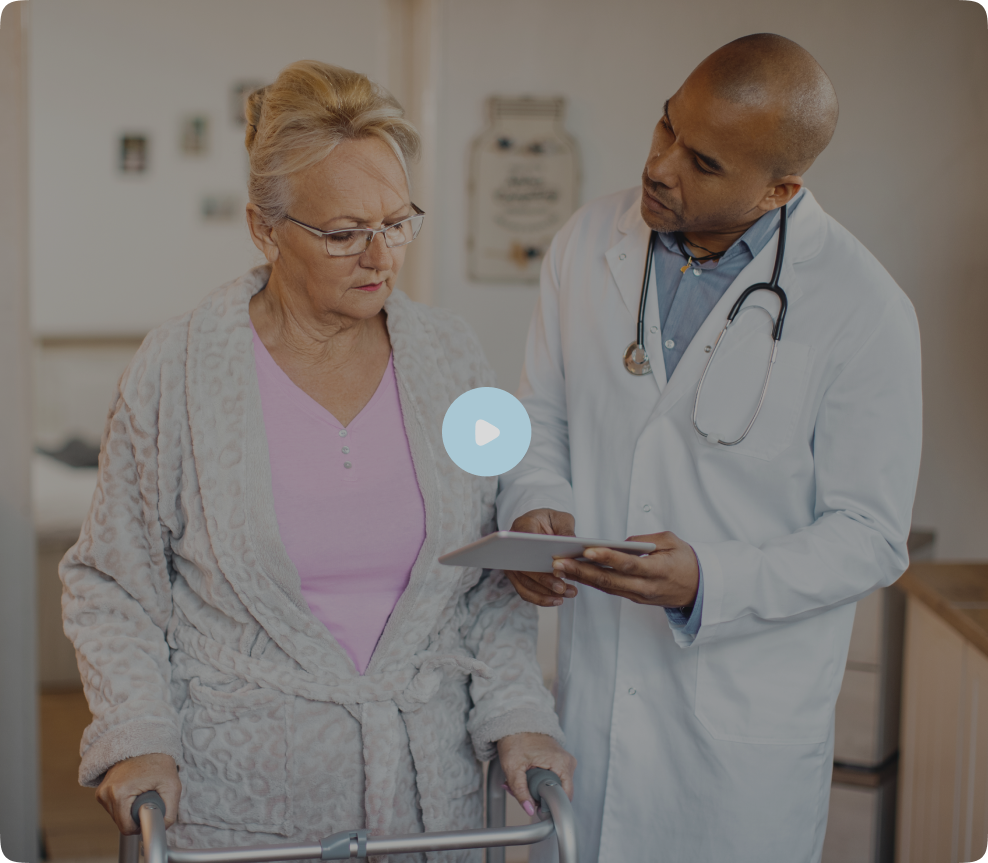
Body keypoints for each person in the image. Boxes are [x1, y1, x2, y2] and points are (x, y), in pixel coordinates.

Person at [60, 60, 573, 857]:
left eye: (398, 223)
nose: (381, 257)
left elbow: (489, 581)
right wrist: (136, 734)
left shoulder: (454, 358)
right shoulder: (174, 369)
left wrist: (520, 717)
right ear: (264, 229)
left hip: (428, 802)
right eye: (343, 234)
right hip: (244, 798)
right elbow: (111, 582)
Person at [497, 33, 921, 862]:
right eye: (665, 129)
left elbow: (870, 534)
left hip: (737, 746)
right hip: (590, 712)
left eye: (704, 162)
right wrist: (533, 505)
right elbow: (537, 416)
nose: (660, 166)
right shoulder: (586, 242)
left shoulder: (863, 307)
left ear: (781, 188)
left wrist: (710, 581)